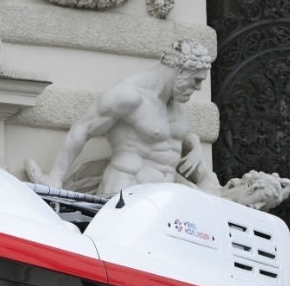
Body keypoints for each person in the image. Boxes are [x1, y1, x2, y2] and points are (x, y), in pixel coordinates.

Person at [30, 39, 222, 197]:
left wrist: (196, 146)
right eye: (196, 80)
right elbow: (82, 129)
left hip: (163, 200)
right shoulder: (130, 97)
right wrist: (55, 178)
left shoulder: (175, 103)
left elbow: (171, 133)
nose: (198, 88)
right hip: (124, 193)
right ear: (180, 71)